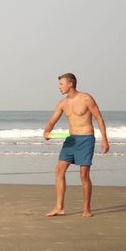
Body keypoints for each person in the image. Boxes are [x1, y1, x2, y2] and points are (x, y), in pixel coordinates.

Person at [43, 73, 109, 217]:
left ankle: (87, 208)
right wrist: (47, 131)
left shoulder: (86, 98)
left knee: (84, 174)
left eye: (61, 84)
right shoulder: (63, 103)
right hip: (71, 139)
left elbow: (99, 118)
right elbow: (53, 119)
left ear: (70, 84)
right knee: (59, 170)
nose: (59, 87)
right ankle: (59, 207)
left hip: (86, 139)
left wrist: (104, 140)